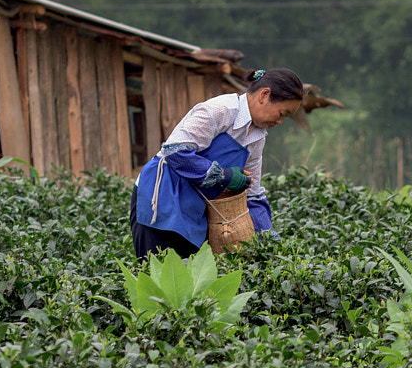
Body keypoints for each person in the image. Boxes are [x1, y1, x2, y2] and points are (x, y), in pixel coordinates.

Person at [129, 67, 306, 259]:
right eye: (282, 113)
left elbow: (252, 195)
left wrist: (270, 240)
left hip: (194, 211)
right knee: (157, 280)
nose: (280, 122)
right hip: (161, 200)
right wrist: (224, 176)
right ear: (264, 95)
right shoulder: (221, 110)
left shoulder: (258, 136)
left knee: (191, 284)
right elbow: (175, 151)